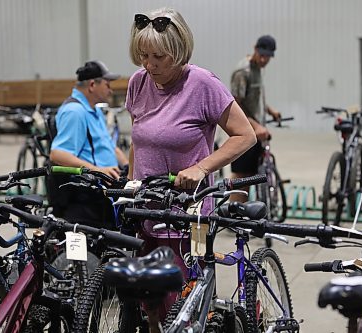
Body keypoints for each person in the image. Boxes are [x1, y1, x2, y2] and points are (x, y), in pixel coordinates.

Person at [125, 7, 256, 320]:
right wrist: (130, 185)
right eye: (144, 55)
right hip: (145, 208)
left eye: (159, 57)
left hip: (187, 212)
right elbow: (138, 141)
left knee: (180, 305)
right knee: (148, 304)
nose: (149, 64)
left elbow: (245, 136)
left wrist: (202, 168)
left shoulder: (201, 84)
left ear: (178, 50)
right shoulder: (138, 83)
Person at [49, 60, 128, 227]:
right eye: (107, 85)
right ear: (92, 84)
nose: (110, 90)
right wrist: (98, 170)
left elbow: (108, 144)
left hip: (106, 189)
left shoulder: (93, 109)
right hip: (87, 197)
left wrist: (128, 165)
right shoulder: (75, 112)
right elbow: (58, 154)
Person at [230, 35, 282, 203]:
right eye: (261, 54)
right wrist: (255, 127)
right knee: (242, 176)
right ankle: (233, 216)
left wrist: (270, 110)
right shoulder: (243, 72)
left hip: (256, 130)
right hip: (243, 131)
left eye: (267, 56)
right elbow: (235, 107)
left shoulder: (258, 69)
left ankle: (242, 212)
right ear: (254, 48)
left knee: (251, 175)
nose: (264, 59)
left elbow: (253, 97)